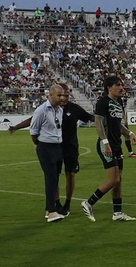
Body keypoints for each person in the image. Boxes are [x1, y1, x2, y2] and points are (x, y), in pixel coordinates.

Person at [10, 85, 95, 213]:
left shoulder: (74, 108)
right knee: (54, 177)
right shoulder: (52, 108)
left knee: (70, 175)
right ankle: (56, 203)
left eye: (66, 96)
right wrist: (17, 127)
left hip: (71, 148)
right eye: (61, 95)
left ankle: (67, 203)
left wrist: (107, 120)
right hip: (55, 147)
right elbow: (33, 120)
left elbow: (91, 118)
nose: (64, 98)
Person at [82, 75, 136, 222]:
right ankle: (88, 203)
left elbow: (117, 125)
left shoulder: (119, 102)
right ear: (109, 87)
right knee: (114, 179)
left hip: (116, 144)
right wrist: (105, 142)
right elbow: (98, 123)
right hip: (106, 145)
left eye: (122, 85)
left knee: (119, 180)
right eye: (118, 85)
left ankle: (117, 213)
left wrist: (129, 133)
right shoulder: (102, 102)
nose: (122, 87)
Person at [27, 83, 70, 223]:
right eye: (59, 95)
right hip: (46, 147)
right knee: (50, 179)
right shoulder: (41, 111)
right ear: (50, 95)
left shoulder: (60, 110)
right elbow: (33, 131)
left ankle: (48, 209)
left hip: (58, 146)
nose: (62, 98)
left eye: (63, 95)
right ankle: (52, 211)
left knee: (55, 178)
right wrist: (39, 145)